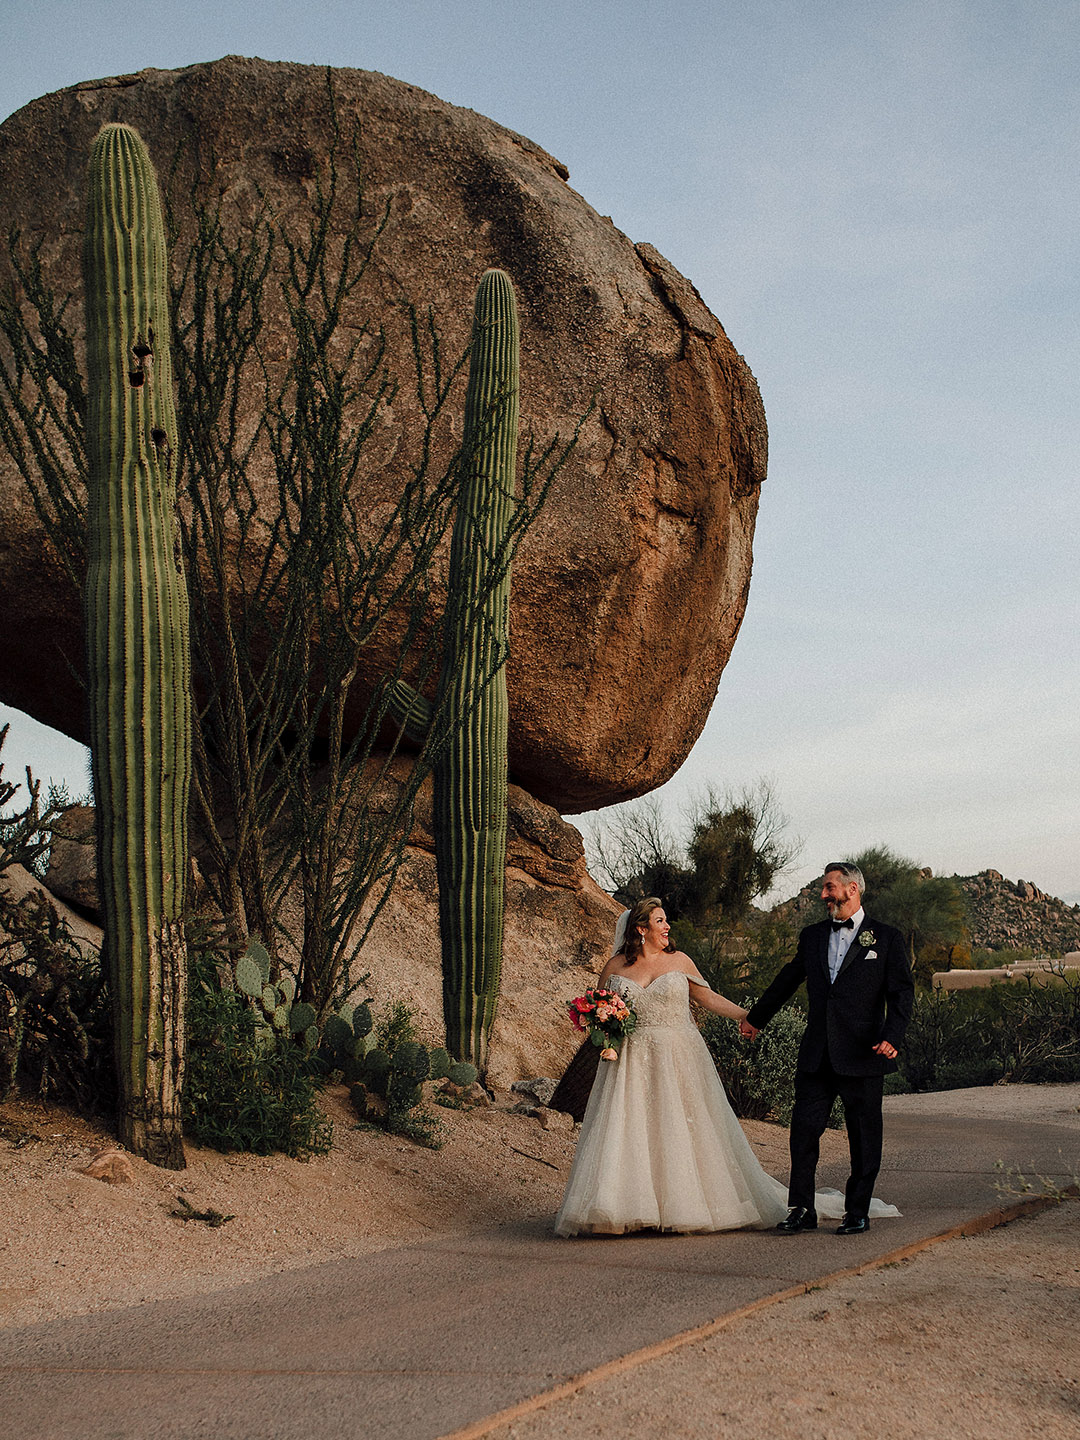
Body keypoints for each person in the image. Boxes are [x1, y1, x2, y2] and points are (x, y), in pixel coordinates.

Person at [556, 898, 790, 1237]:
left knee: (680, 1127)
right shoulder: (615, 966)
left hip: (679, 1054)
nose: (667, 927)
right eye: (660, 921)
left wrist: (747, 1016)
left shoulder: (680, 961)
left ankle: (687, 1204)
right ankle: (629, 1205)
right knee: (633, 1128)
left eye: (666, 921)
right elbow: (597, 1007)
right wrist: (602, 1025)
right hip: (631, 1059)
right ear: (641, 929)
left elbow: (707, 998)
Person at [741, 861, 915, 1236]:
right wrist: (756, 1017)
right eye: (824, 888)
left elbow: (901, 994)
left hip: (864, 1053)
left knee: (864, 1137)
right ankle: (802, 1209)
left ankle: (857, 1211)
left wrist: (892, 1037)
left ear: (852, 889)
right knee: (803, 1131)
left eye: (829, 887)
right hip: (817, 1053)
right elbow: (788, 978)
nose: (823, 895)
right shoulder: (813, 936)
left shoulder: (885, 938)